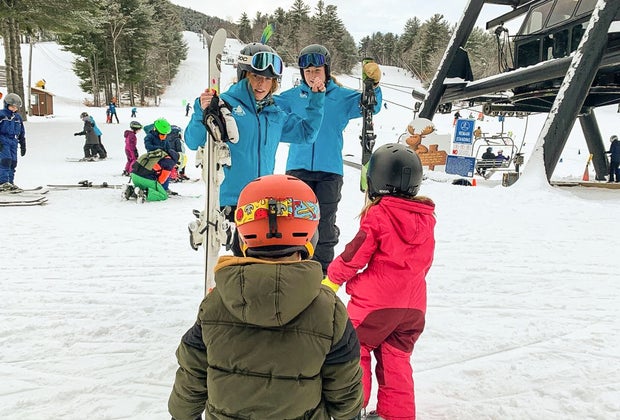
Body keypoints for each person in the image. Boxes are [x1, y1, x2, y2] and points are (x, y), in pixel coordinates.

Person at [168, 174, 364, 419]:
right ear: (311, 234)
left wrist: (183, 415)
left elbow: (191, 374)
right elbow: (344, 389)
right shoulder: (329, 310)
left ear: (242, 235)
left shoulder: (216, 303)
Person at [323, 143, 436, 420]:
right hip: (413, 309)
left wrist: (332, 282)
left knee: (354, 350)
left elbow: (354, 255)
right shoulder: (426, 218)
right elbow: (423, 264)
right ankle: (396, 415)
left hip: (375, 307)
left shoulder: (380, 213)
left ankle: (351, 411)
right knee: (396, 362)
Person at [185, 42, 325, 256]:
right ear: (244, 75)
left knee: (261, 266)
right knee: (240, 264)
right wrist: (200, 111)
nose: (262, 84)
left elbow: (307, 134)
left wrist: (316, 100)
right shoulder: (224, 105)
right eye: (256, 76)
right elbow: (193, 141)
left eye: (268, 79)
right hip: (231, 203)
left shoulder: (275, 115)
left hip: (262, 203)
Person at [275, 44, 383, 275]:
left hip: (329, 171)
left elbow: (371, 104)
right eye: (308, 71)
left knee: (324, 225)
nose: (313, 75)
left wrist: (373, 84)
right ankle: (294, 270)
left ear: (326, 69)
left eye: (317, 70)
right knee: (295, 223)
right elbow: (266, 107)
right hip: (297, 171)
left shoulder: (341, 97)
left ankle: (322, 274)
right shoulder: (292, 97)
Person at [142, 118, 178, 194]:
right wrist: (159, 149)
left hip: (163, 159)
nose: (164, 136)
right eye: (162, 134)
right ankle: (158, 187)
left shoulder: (164, 138)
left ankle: (165, 188)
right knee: (158, 174)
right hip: (153, 160)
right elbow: (148, 147)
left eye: (165, 134)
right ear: (156, 131)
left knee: (167, 172)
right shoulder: (149, 137)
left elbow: (168, 148)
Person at [0, 93, 26, 191]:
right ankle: (2, 182)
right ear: (7, 105)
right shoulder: (1, 115)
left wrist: (22, 144)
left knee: (13, 162)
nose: (14, 109)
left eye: (16, 107)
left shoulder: (17, 118)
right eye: (12, 107)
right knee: (5, 161)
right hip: (3, 141)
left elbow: (21, 131)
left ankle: (10, 182)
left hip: (13, 142)